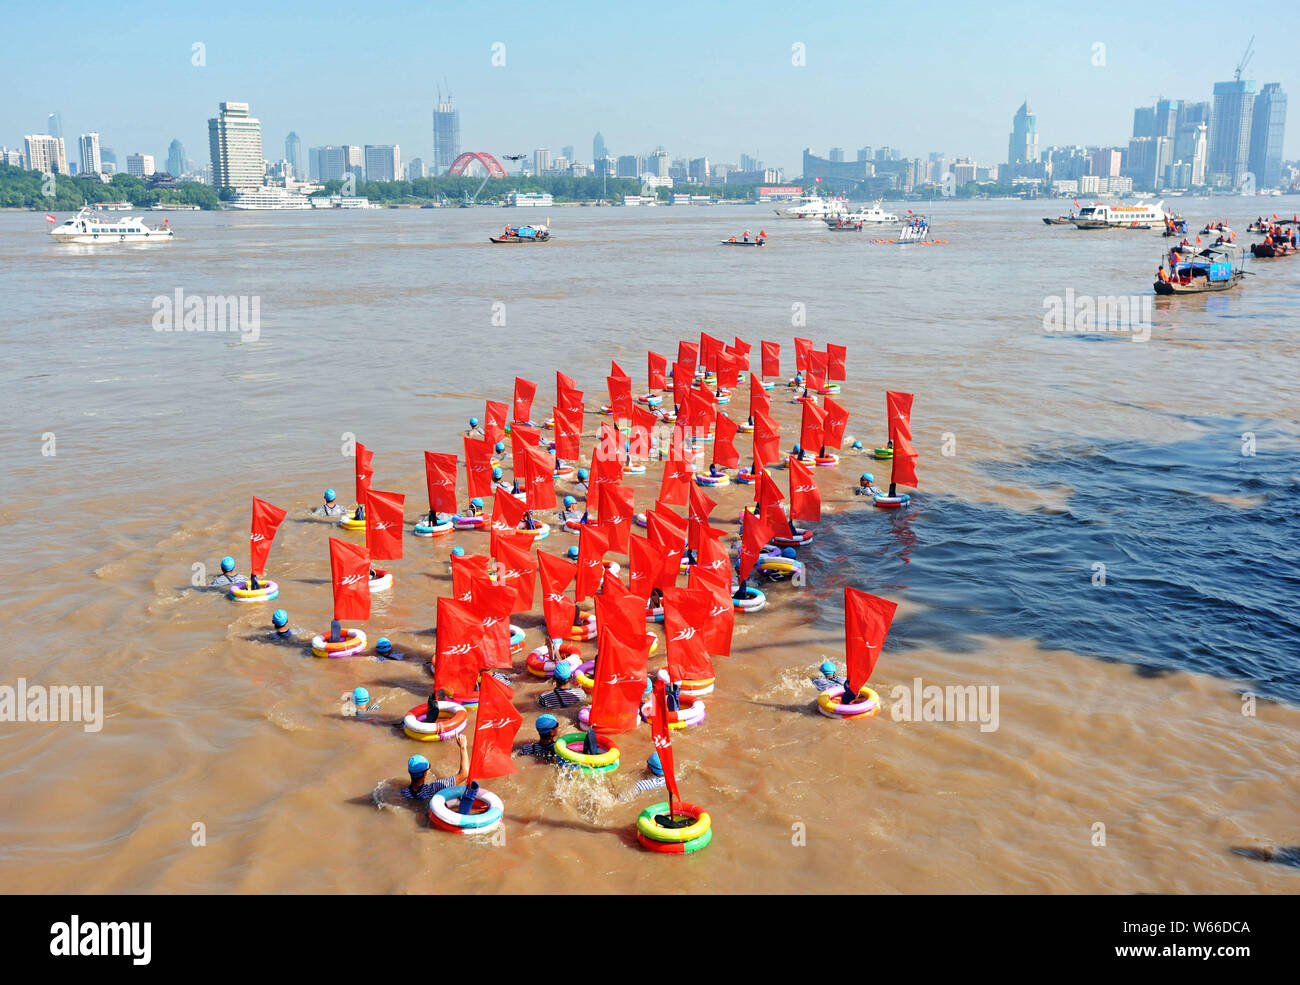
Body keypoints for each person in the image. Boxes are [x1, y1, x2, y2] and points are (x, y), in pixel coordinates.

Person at [401, 735, 469, 803]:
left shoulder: (405, 793)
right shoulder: (434, 788)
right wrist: (463, 747)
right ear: (425, 773)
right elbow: (464, 774)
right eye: (429, 768)